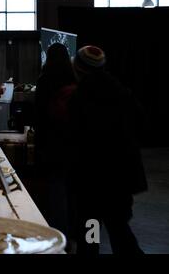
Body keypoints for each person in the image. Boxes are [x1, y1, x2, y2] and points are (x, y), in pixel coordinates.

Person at [68, 46, 147, 254]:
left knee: (90, 233)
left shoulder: (80, 97)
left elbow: (75, 139)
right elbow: (140, 123)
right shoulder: (121, 91)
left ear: (80, 70)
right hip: (120, 180)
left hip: (92, 183)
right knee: (119, 229)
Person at [34, 43, 77, 242]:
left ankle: (58, 236)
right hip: (72, 144)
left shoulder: (45, 80)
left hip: (50, 145)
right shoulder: (73, 78)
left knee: (55, 191)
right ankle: (79, 235)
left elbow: (39, 115)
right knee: (71, 191)